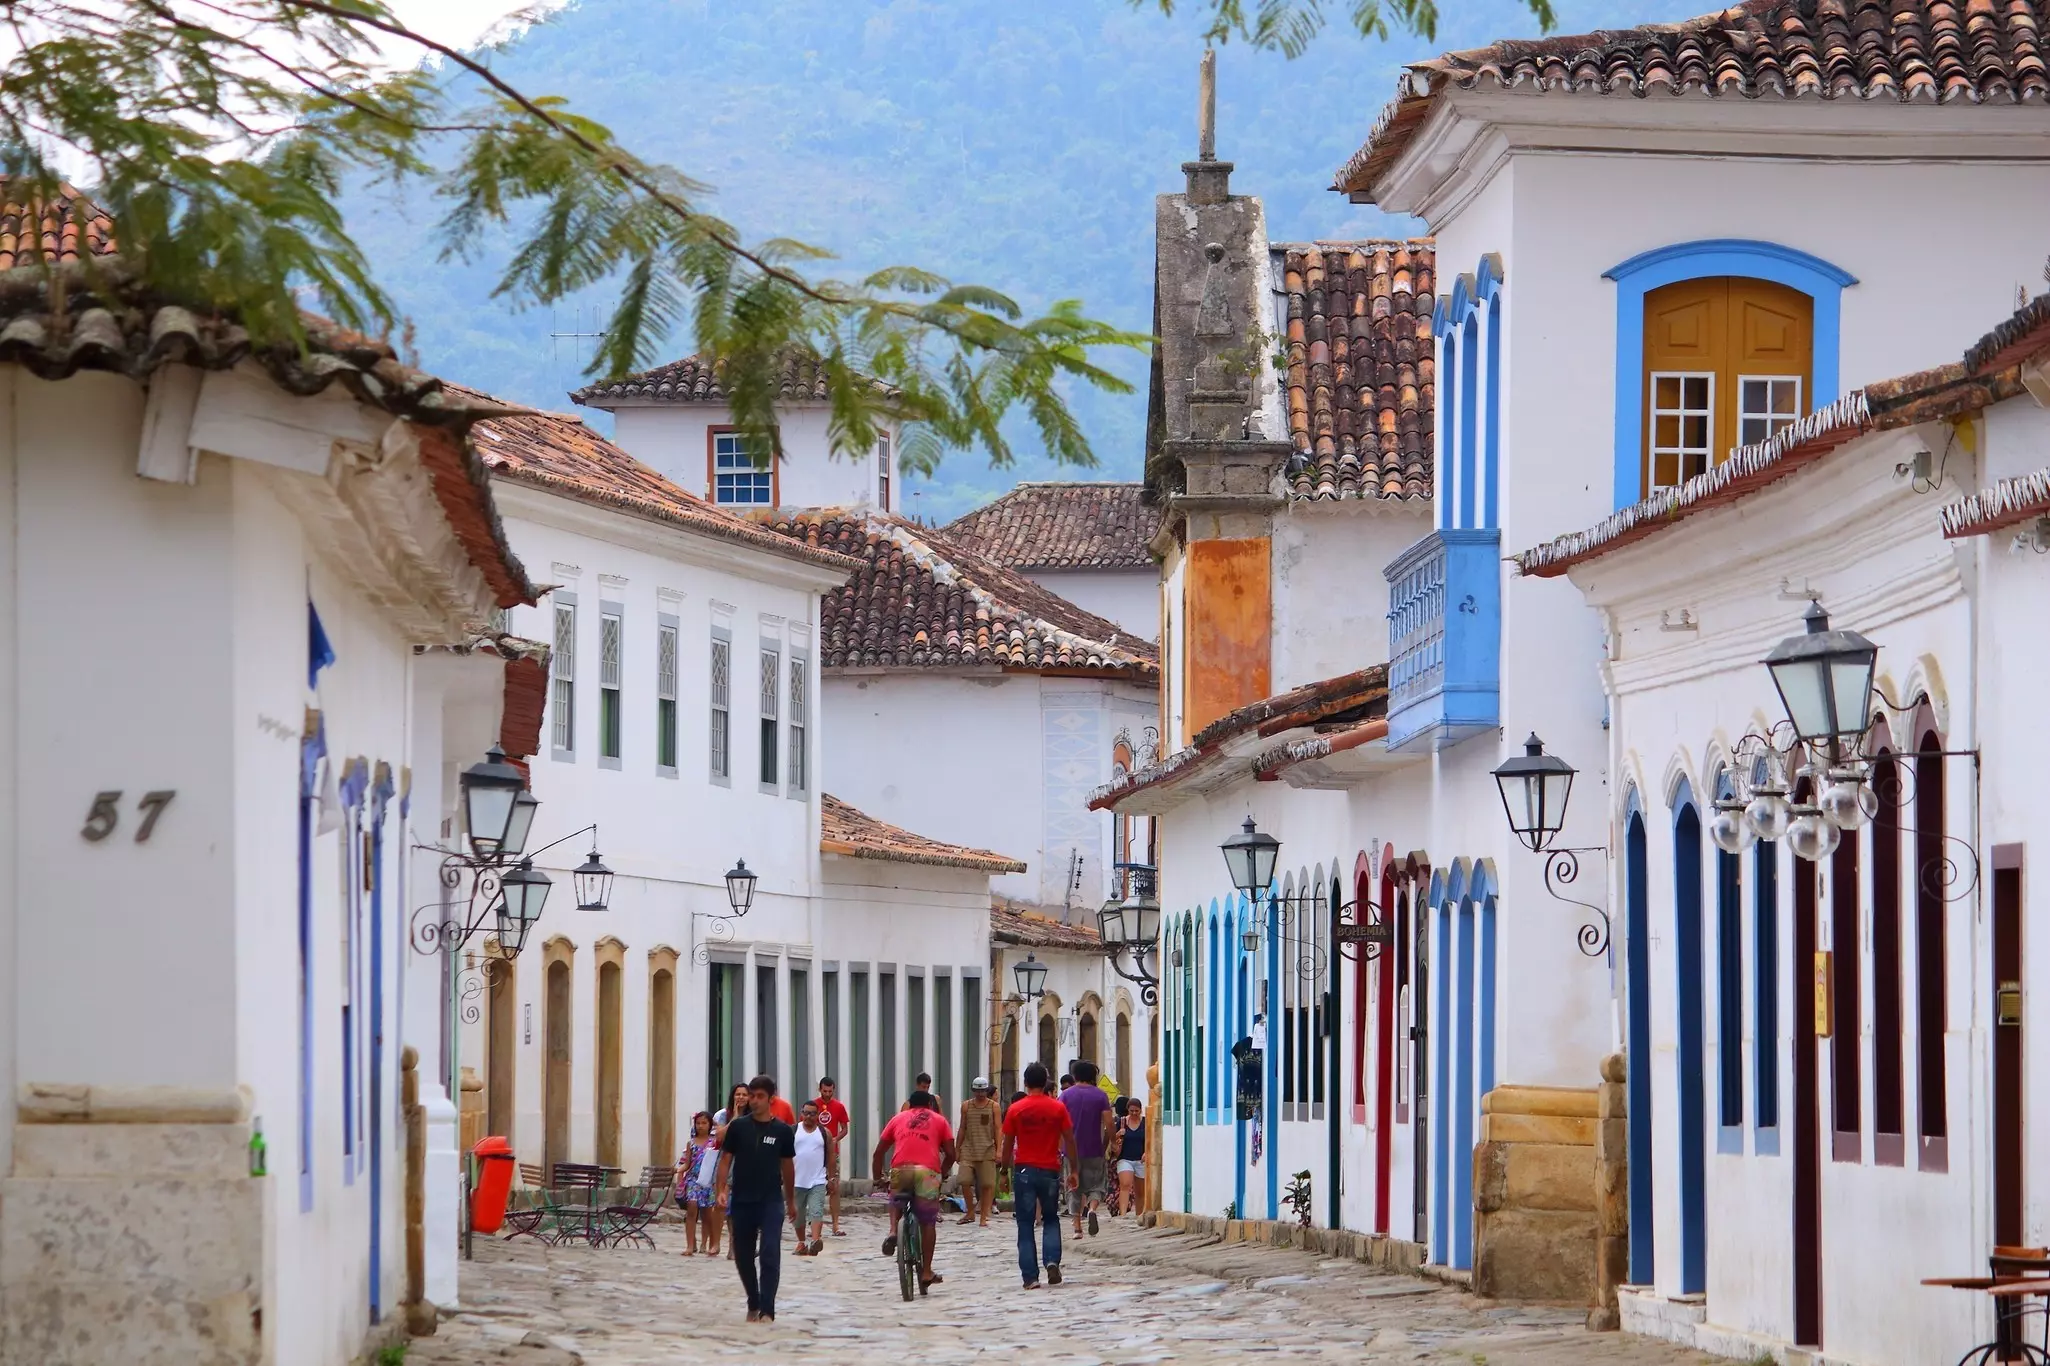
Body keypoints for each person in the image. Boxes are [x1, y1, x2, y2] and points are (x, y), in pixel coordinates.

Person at [712, 1075, 797, 1324]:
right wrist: (721, 1189)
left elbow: (788, 1168)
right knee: (743, 1255)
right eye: (752, 1095)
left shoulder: (782, 1131)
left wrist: (790, 1201)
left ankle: (768, 1309)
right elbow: (726, 1159)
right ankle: (753, 1299)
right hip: (742, 1200)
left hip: (770, 1200)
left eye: (760, 1096)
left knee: (770, 1252)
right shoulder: (739, 1127)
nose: (754, 1101)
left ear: (771, 1099)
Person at [870, 1090, 956, 1294]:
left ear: (909, 1104)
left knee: (896, 1197)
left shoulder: (897, 1118)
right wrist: (941, 1174)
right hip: (927, 1172)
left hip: (901, 1169)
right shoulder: (939, 1120)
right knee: (927, 1221)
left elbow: (878, 1152)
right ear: (929, 1105)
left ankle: (893, 1230)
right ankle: (926, 1271)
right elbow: (952, 1154)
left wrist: (877, 1178)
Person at [1001, 1061, 1075, 1290]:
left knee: (1025, 1223)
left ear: (1025, 1083)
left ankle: (1030, 1277)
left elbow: (1007, 1144)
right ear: (1045, 1083)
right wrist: (1074, 1170)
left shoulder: (1016, 1109)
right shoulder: (1057, 1108)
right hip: (1050, 1169)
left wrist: (1004, 1170)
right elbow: (1070, 1140)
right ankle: (1052, 1260)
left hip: (1024, 1170)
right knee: (1051, 1218)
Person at [1061, 1060, 1115, 1238]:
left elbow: (1057, 1122)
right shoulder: (1100, 1096)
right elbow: (1109, 1124)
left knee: (1073, 1187)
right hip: (1094, 1149)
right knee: (1097, 1186)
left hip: (1071, 1151)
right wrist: (1110, 1142)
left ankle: (1077, 1228)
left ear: (1075, 1075)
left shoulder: (1066, 1096)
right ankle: (1092, 1210)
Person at [955, 1078, 1001, 1227]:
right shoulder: (966, 1106)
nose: (980, 1094)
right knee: (964, 1180)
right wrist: (958, 1148)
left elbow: (998, 1129)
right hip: (969, 1149)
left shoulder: (994, 1106)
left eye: (983, 1090)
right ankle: (970, 1211)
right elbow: (962, 1127)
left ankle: (983, 1216)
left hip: (987, 1149)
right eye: (978, 1090)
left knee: (987, 1184)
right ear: (973, 1091)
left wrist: (999, 1149)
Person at [712, 1084, 750, 1260]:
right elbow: (719, 1136)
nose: (741, 1098)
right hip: (726, 1162)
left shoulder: (754, 1116)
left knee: (737, 1209)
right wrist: (734, 1118)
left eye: (744, 1094)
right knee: (721, 1205)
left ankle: (733, 1247)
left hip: (745, 1163)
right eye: (738, 1094)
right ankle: (716, 1242)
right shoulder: (723, 1115)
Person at [810, 1077, 851, 1238]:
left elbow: (845, 1128)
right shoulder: (812, 1106)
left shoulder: (839, 1107)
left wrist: (835, 1139)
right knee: (812, 1188)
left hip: (832, 1153)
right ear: (819, 1089)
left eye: (830, 1091)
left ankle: (835, 1225)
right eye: (824, 1091)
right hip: (814, 1152)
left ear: (834, 1090)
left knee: (834, 1188)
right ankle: (813, 1222)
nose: (827, 1094)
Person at [791, 1100, 833, 1257]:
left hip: (818, 1179)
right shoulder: (793, 1131)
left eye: (813, 1113)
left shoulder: (824, 1133)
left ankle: (815, 1241)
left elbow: (830, 1155)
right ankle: (801, 1243)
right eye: (806, 1113)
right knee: (798, 1215)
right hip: (796, 1180)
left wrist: (832, 1177)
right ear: (801, 1114)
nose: (809, 1116)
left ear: (818, 1115)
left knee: (816, 1210)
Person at [677, 1111, 718, 1255]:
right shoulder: (691, 1143)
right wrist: (678, 1170)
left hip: (708, 1181)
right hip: (693, 1180)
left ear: (710, 1125)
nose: (701, 1126)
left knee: (707, 1213)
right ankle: (689, 1245)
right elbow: (687, 1163)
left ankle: (709, 1243)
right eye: (698, 1123)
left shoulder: (714, 1143)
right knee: (692, 1208)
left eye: (704, 1123)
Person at [1114, 1097, 1147, 1218]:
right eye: (1131, 1110)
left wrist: (1146, 1152)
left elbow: (1150, 1139)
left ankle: (1139, 1214)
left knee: (1140, 1191)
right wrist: (1118, 1134)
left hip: (1140, 1160)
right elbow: (1113, 1140)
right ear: (1128, 1110)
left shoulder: (1145, 1123)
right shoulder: (1122, 1122)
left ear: (1140, 1110)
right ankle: (1123, 1214)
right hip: (1124, 1158)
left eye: (1136, 1111)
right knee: (1125, 1184)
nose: (1134, 1113)